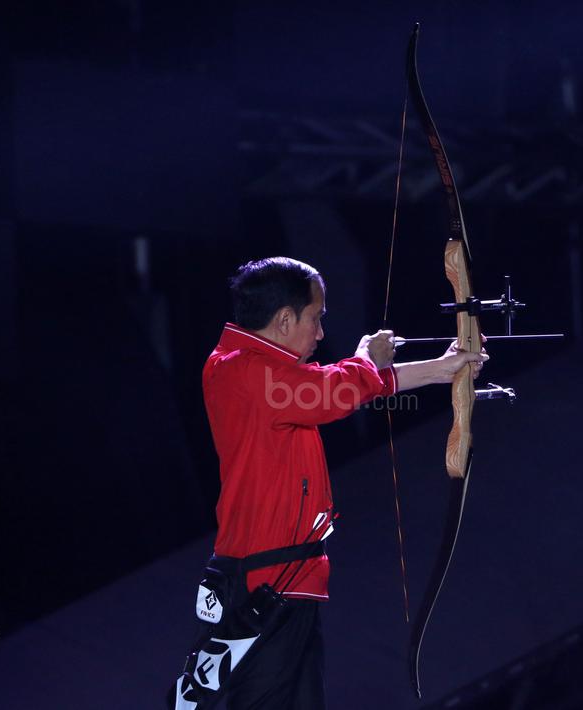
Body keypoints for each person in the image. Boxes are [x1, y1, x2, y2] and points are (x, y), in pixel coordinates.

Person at [199, 256, 486, 710]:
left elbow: (329, 387)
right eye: (316, 318)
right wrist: (363, 358)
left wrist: (441, 368)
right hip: (265, 583)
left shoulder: (254, 369)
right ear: (285, 318)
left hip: (284, 582)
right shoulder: (242, 369)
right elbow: (331, 393)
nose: (319, 332)